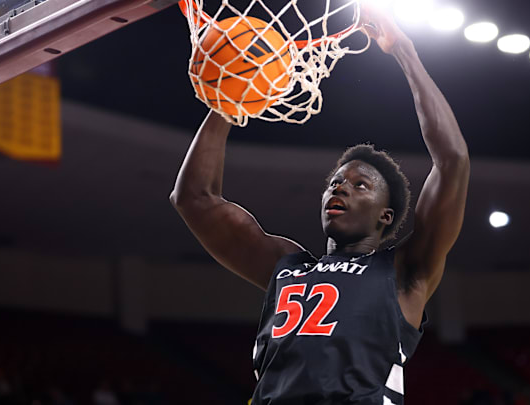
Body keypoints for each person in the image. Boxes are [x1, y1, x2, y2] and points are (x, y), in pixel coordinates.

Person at [170, 5, 470, 404]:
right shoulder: (288, 264)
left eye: (359, 184)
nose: (339, 188)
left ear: (387, 215)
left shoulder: (404, 272)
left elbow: (452, 161)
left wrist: (404, 50)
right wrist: (233, 94)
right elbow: (194, 199)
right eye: (335, 182)